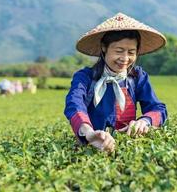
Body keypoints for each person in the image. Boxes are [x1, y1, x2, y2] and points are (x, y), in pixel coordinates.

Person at [64, 13, 168, 153]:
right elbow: (74, 104)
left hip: (127, 148)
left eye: (131, 52)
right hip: (92, 146)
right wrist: (88, 133)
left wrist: (144, 121)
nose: (125, 58)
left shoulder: (138, 77)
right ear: (104, 48)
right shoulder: (85, 77)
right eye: (119, 51)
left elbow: (157, 108)